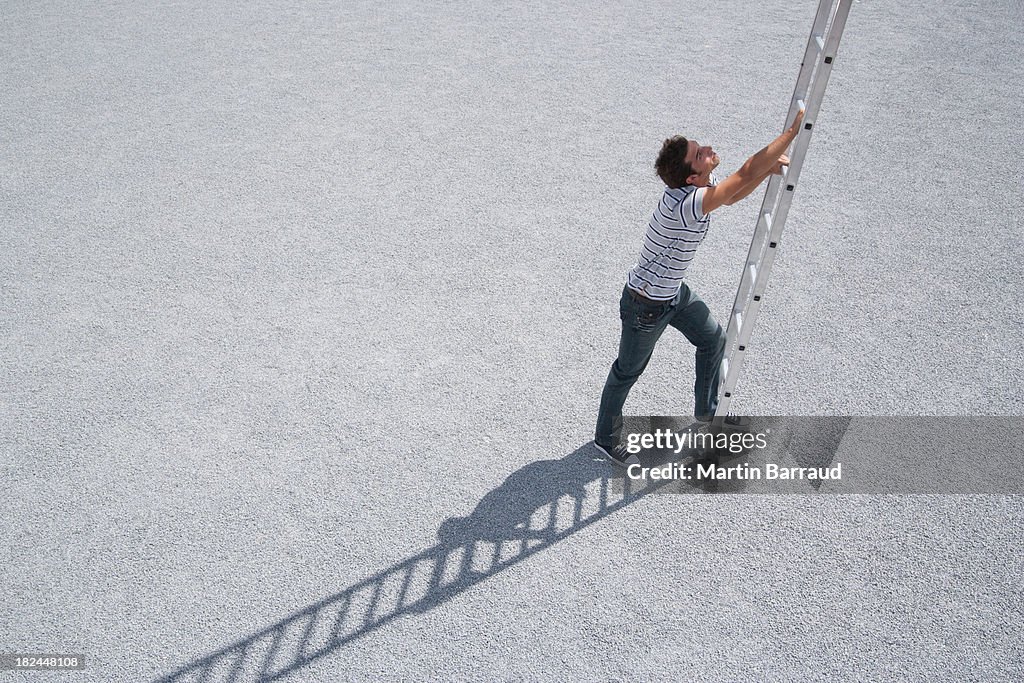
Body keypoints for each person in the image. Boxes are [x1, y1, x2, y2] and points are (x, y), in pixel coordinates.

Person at [594, 108, 805, 467]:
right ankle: (604, 438)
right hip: (644, 305)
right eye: (699, 154)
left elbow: (734, 193)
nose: (707, 149)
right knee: (627, 371)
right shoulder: (686, 205)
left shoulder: (695, 193)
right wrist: (792, 132)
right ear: (692, 177)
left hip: (673, 293)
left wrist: (765, 171)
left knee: (713, 339)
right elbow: (740, 175)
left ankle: (706, 411)